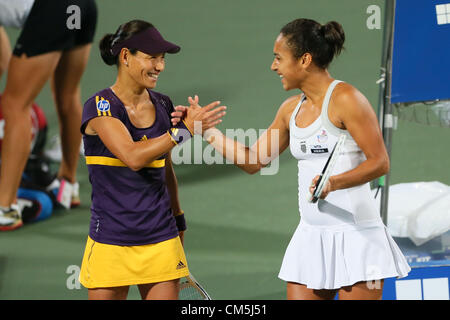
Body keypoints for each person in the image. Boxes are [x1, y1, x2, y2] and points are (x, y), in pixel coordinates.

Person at [172, 18, 411, 300]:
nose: (274, 67)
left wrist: (334, 183)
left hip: (357, 237)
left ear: (304, 60)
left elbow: (380, 162)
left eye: (278, 58)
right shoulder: (290, 110)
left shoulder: (347, 99)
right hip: (311, 237)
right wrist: (206, 131)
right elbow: (254, 160)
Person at [78, 19, 226, 300]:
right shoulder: (99, 106)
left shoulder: (162, 104)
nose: (160, 66)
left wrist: (178, 218)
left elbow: (164, 165)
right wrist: (183, 131)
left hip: (160, 238)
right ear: (125, 56)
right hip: (110, 240)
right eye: (152, 57)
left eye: (162, 58)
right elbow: (132, 156)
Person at [0, 0, 98, 231]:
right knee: (68, 94)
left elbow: (2, 62)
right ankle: (68, 184)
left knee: (14, 104)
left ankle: (5, 207)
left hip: (53, 8)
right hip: (82, 7)